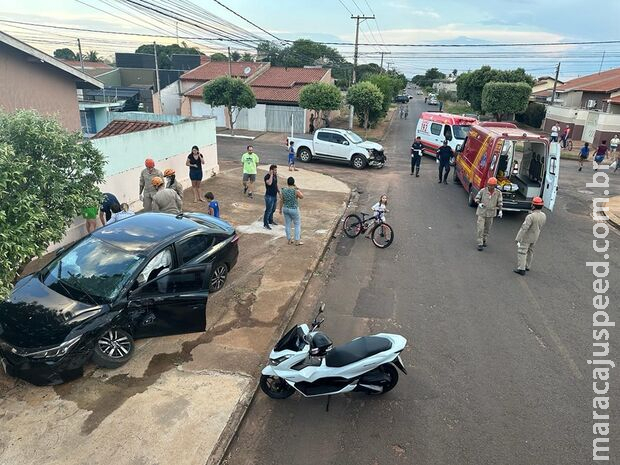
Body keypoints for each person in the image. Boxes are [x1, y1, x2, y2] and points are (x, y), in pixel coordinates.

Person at [514, 196, 547, 275]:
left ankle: (521, 268)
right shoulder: (543, 215)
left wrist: (518, 238)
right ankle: (527, 266)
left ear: (533, 206)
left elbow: (524, 228)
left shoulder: (530, 216)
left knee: (522, 252)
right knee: (530, 251)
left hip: (527, 237)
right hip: (535, 236)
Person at [474, 177, 503, 251]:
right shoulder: (483, 191)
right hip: (482, 213)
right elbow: (476, 198)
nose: (490, 187)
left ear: (495, 185)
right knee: (480, 228)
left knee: (487, 229)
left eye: (492, 185)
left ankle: (484, 240)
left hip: (491, 214)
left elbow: (500, 202)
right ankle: (480, 243)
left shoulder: (498, 193)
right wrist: (479, 203)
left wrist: (500, 210)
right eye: (489, 185)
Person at [279, 176, 304, 245]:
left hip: (285, 208)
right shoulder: (295, 191)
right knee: (297, 224)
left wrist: (280, 209)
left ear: (287, 183)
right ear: (293, 183)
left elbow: (281, 200)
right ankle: (297, 241)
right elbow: (302, 196)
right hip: (294, 209)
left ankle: (289, 240)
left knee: (287, 224)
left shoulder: (283, 190)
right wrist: (296, 187)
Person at [263, 164, 279, 230]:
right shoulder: (267, 176)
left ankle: (270, 220)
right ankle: (265, 224)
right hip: (269, 196)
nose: (276, 171)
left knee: (273, 209)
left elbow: (275, 184)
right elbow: (269, 183)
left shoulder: (275, 176)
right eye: (275, 170)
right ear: (271, 170)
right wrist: (271, 175)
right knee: (268, 210)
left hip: (274, 195)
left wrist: (278, 191)